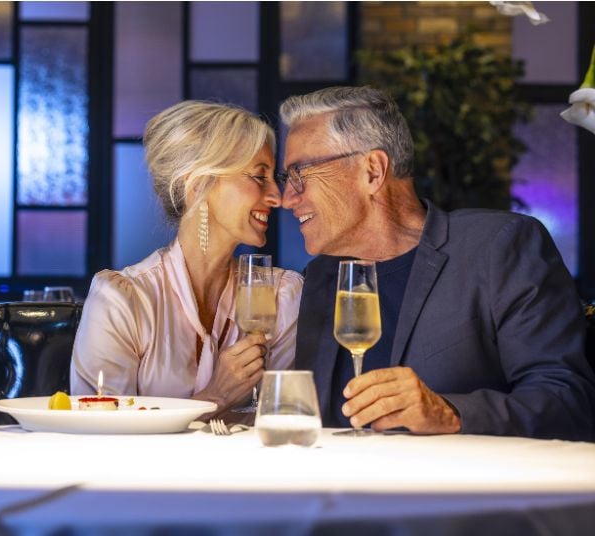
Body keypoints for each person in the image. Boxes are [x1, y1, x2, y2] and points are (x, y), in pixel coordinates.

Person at [278, 86, 595, 441]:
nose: (286, 198)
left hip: (463, 493)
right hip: (333, 494)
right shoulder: (320, 277)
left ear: (372, 171)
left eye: (300, 173)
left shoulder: (500, 247)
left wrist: (451, 413)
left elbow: (569, 403)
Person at [70, 101, 303, 416]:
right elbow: (101, 433)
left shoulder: (282, 297)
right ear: (198, 187)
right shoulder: (123, 302)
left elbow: (286, 420)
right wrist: (215, 398)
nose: (279, 197)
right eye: (259, 177)